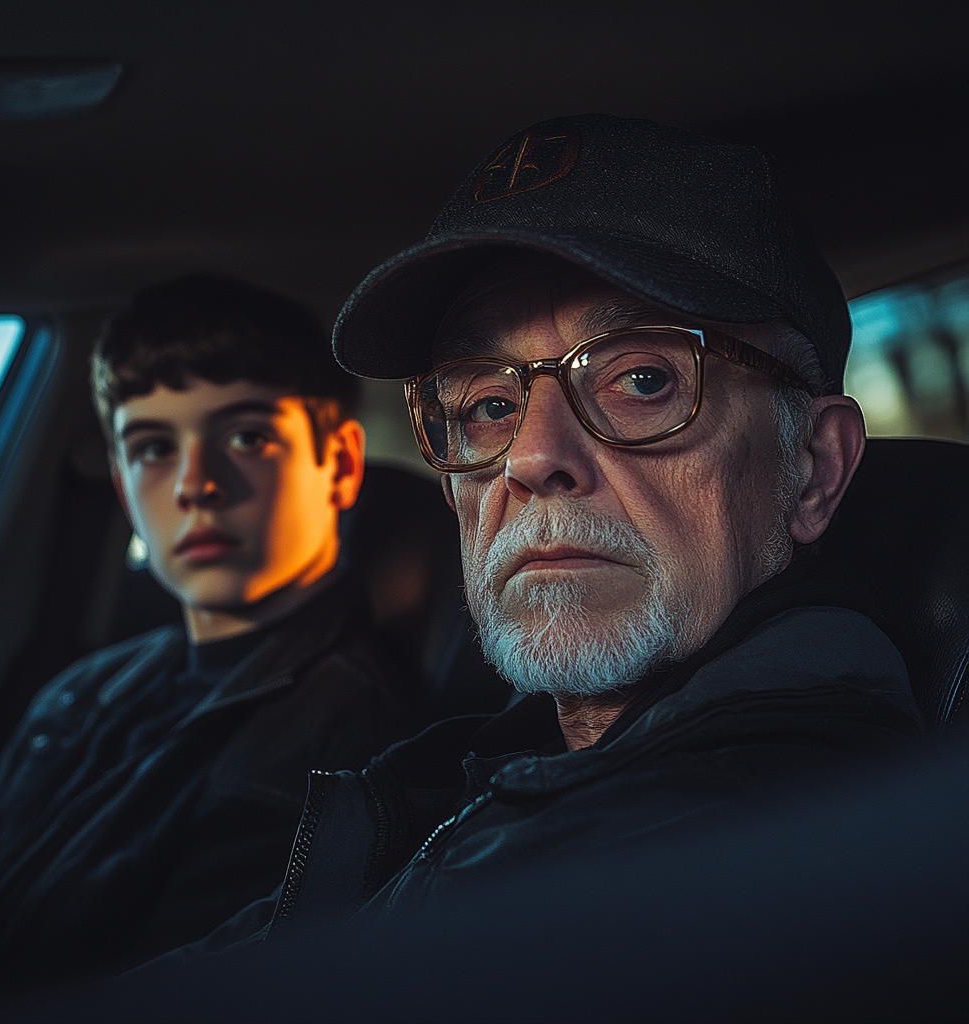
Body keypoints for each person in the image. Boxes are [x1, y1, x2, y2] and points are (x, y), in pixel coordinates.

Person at [198, 114, 924, 937]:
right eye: (490, 405)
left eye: (643, 380)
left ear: (815, 468)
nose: (531, 458)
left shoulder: (761, 851)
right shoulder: (477, 769)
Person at [0, 274, 413, 1002]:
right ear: (124, 487)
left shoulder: (345, 754)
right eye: (154, 447)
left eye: (248, 435)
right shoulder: (85, 687)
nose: (196, 483)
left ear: (341, 464)